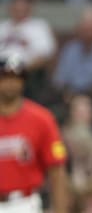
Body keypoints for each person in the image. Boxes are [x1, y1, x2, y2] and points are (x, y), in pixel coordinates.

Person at [0, 53, 70, 213]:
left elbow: (57, 171)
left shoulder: (41, 118)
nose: (11, 83)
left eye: (16, 78)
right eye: (5, 77)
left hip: (24, 204)